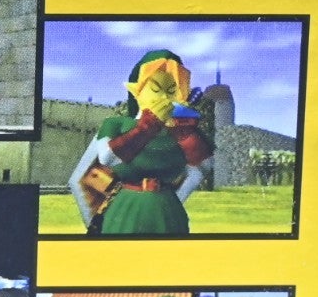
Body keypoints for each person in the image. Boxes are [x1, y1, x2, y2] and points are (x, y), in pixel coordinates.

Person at [68, 49, 213, 235]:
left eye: (171, 91)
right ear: (138, 89)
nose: (163, 97)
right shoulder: (117, 124)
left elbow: (202, 167)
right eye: (156, 89)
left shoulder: (182, 131)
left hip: (169, 213)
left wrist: (173, 201)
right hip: (124, 211)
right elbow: (104, 160)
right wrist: (95, 225)